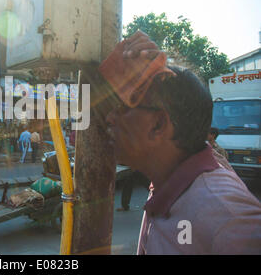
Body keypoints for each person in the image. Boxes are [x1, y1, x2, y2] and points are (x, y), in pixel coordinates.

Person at [101, 31, 261, 254]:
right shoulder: (167, 183)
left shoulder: (228, 220)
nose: (110, 118)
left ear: (158, 125)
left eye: (124, 108)